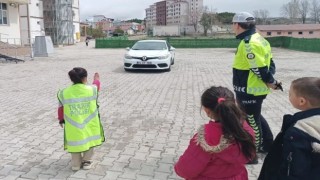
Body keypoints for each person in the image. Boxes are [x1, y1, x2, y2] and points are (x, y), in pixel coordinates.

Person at [174, 86, 256, 180]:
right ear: (234, 104)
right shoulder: (245, 130)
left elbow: (185, 170)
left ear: (207, 111)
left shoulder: (205, 138)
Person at [232, 12, 282, 162]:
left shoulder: (249, 43)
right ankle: (267, 144)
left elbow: (258, 68)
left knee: (251, 121)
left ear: (237, 25)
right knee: (255, 116)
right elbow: (271, 63)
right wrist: (270, 80)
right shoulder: (260, 39)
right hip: (253, 89)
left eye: (233, 24)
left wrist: (271, 82)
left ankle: (252, 154)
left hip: (249, 90)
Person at [258, 77, 320, 180]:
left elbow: (293, 170)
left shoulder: (297, 132)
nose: (289, 96)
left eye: (290, 94)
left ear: (301, 101)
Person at [57, 67, 105, 171]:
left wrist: (61, 119)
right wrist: (96, 78)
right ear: (85, 78)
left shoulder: (64, 92)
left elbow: (61, 107)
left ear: (72, 79)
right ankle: (86, 162)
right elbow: (96, 85)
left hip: (73, 124)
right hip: (89, 122)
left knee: (75, 142)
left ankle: (75, 164)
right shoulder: (92, 89)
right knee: (90, 140)